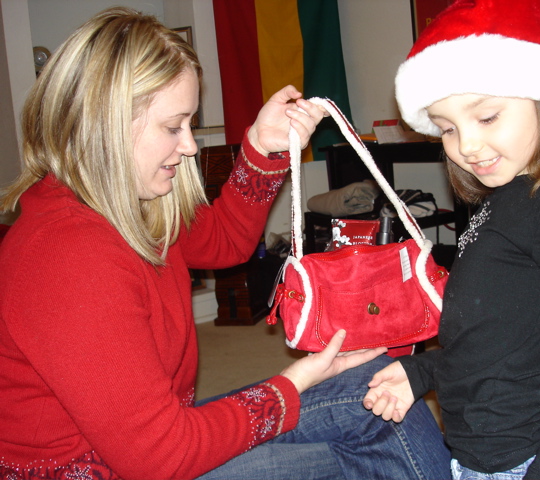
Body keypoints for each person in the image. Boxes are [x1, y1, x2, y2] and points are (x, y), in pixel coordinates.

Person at [0, 7, 452, 480]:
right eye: (174, 127)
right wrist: (295, 381)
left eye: (190, 125)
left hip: (155, 441)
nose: (191, 145)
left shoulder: (130, 206)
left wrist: (263, 143)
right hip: (122, 466)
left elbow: (223, 242)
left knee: (375, 387)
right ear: (105, 125)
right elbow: (161, 458)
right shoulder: (68, 257)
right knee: (365, 448)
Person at [363, 1, 540, 479]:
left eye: (487, 117)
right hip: (475, 458)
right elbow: (497, 336)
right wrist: (422, 373)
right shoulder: (505, 198)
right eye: (447, 129)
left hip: (532, 462)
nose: (466, 146)